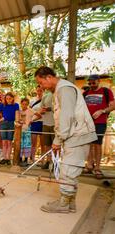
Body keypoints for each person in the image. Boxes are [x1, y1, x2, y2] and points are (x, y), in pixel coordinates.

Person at [35, 66, 97, 214]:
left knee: (68, 170)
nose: (41, 87)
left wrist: (58, 139)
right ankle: (70, 203)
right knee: (72, 169)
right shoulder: (60, 90)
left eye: (41, 82)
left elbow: (66, 117)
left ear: (48, 77)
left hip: (77, 136)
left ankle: (63, 204)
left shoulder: (65, 89)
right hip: (74, 136)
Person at [83, 74, 115, 179]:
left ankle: (97, 168)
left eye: (93, 82)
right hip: (87, 123)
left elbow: (113, 105)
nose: (91, 85)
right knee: (88, 143)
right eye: (90, 83)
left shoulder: (106, 91)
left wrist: (102, 111)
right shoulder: (86, 92)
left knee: (97, 144)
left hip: (100, 122)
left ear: (98, 81)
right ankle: (89, 165)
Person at [0, 92, 19, 166]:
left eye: (10, 98)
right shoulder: (2, 105)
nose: (8, 100)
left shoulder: (16, 105)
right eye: (7, 98)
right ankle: (4, 158)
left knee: (9, 142)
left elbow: (17, 114)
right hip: (4, 124)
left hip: (11, 124)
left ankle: (8, 158)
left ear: (12, 98)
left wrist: (17, 122)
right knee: (4, 142)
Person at [39, 89, 55, 170]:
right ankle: (48, 161)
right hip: (45, 123)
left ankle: (55, 162)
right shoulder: (45, 95)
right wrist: (42, 110)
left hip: (55, 124)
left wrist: (51, 109)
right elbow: (40, 109)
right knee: (47, 144)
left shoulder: (58, 94)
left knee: (55, 145)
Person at [17, 98, 35, 167]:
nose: (24, 105)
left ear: (28, 104)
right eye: (23, 104)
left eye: (26, 104)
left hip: (27, 130)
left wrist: (32, 120)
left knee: (27, 145)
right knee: (21, 144)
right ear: (21, 104)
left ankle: (26, 159)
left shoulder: (30, 110)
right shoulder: (19, 111)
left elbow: (39, 115)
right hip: (20, 130)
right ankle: (20, 159)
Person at [30, 85, 45, 162]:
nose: (39, 92)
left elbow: (43, 112)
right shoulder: (32, 100)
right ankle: (32, 158)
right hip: (33, 123)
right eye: (38, 90)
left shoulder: (45, 100)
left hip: (42, 122)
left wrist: (36, 116)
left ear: (43, 91)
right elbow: (29, 111)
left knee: (43, 143)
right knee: (33, 142)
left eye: (41, 90)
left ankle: (42, 159)